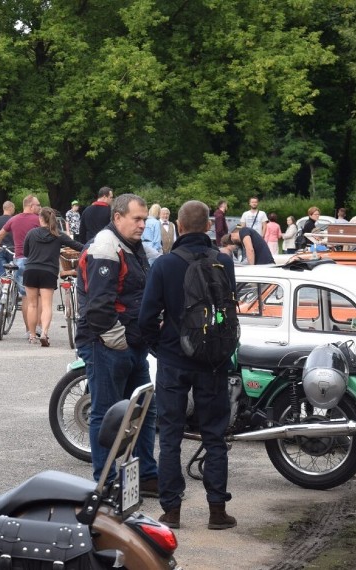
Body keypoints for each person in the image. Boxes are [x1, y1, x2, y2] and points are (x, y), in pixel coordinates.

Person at [139, 199, 237, 531]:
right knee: (214, 435)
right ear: (208, 226)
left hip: (173, 359)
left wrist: (159, 346)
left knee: (170, 434)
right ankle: (217, 510)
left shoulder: (165, 265)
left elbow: (147, 316)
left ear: (178, 226)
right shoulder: (224, 262)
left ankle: (172, 511)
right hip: (213, 360)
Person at [74, 193, 158, 494]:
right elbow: (99, 307)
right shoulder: (105, 247)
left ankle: (147, 476)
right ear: (118, 217)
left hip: (131, 343)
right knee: (106, 413)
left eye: (145, 219)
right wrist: (119, 343)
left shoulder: (132, 247)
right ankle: (106, 482)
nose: (142, 224)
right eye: (137, 218)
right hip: (107, 344)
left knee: (145, 411)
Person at [23, 207, 83, 346]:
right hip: (48, 271)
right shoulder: (58, 235)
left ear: (40, 218)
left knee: (32, 304)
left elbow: (26, 252)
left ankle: (32, 336)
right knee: (46, 305)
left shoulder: (31, 233)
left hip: (31, 269)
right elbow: (78, 246)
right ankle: (44, 333)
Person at [0, 195, 41, 334]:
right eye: (37, 205)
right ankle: (35, 329)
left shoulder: (14, 219)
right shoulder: (38, 220)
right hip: (35, 260)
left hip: (19, 259)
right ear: (31, 206)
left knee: (25, 296)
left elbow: (0, 235)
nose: (39, 207)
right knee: (35, 296)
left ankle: (28, 330)